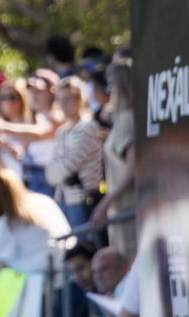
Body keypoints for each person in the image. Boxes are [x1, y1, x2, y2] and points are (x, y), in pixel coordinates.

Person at [89, 61, 136, 257]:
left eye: (111, 86)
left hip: (127, 208)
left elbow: (133, 168)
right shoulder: (124, 120)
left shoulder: (127, 119)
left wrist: (105, 202)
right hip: (121, 208)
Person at [45, 76, 105, 231]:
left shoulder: (87, 128)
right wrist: (58, 168)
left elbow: (69, 165)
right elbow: (50, 174)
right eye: (60, 100)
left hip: (84, 201)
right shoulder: (61, 132)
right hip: (64, 200)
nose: (63, 105)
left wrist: (59, 166)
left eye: (68, 99)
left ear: (80, 100)